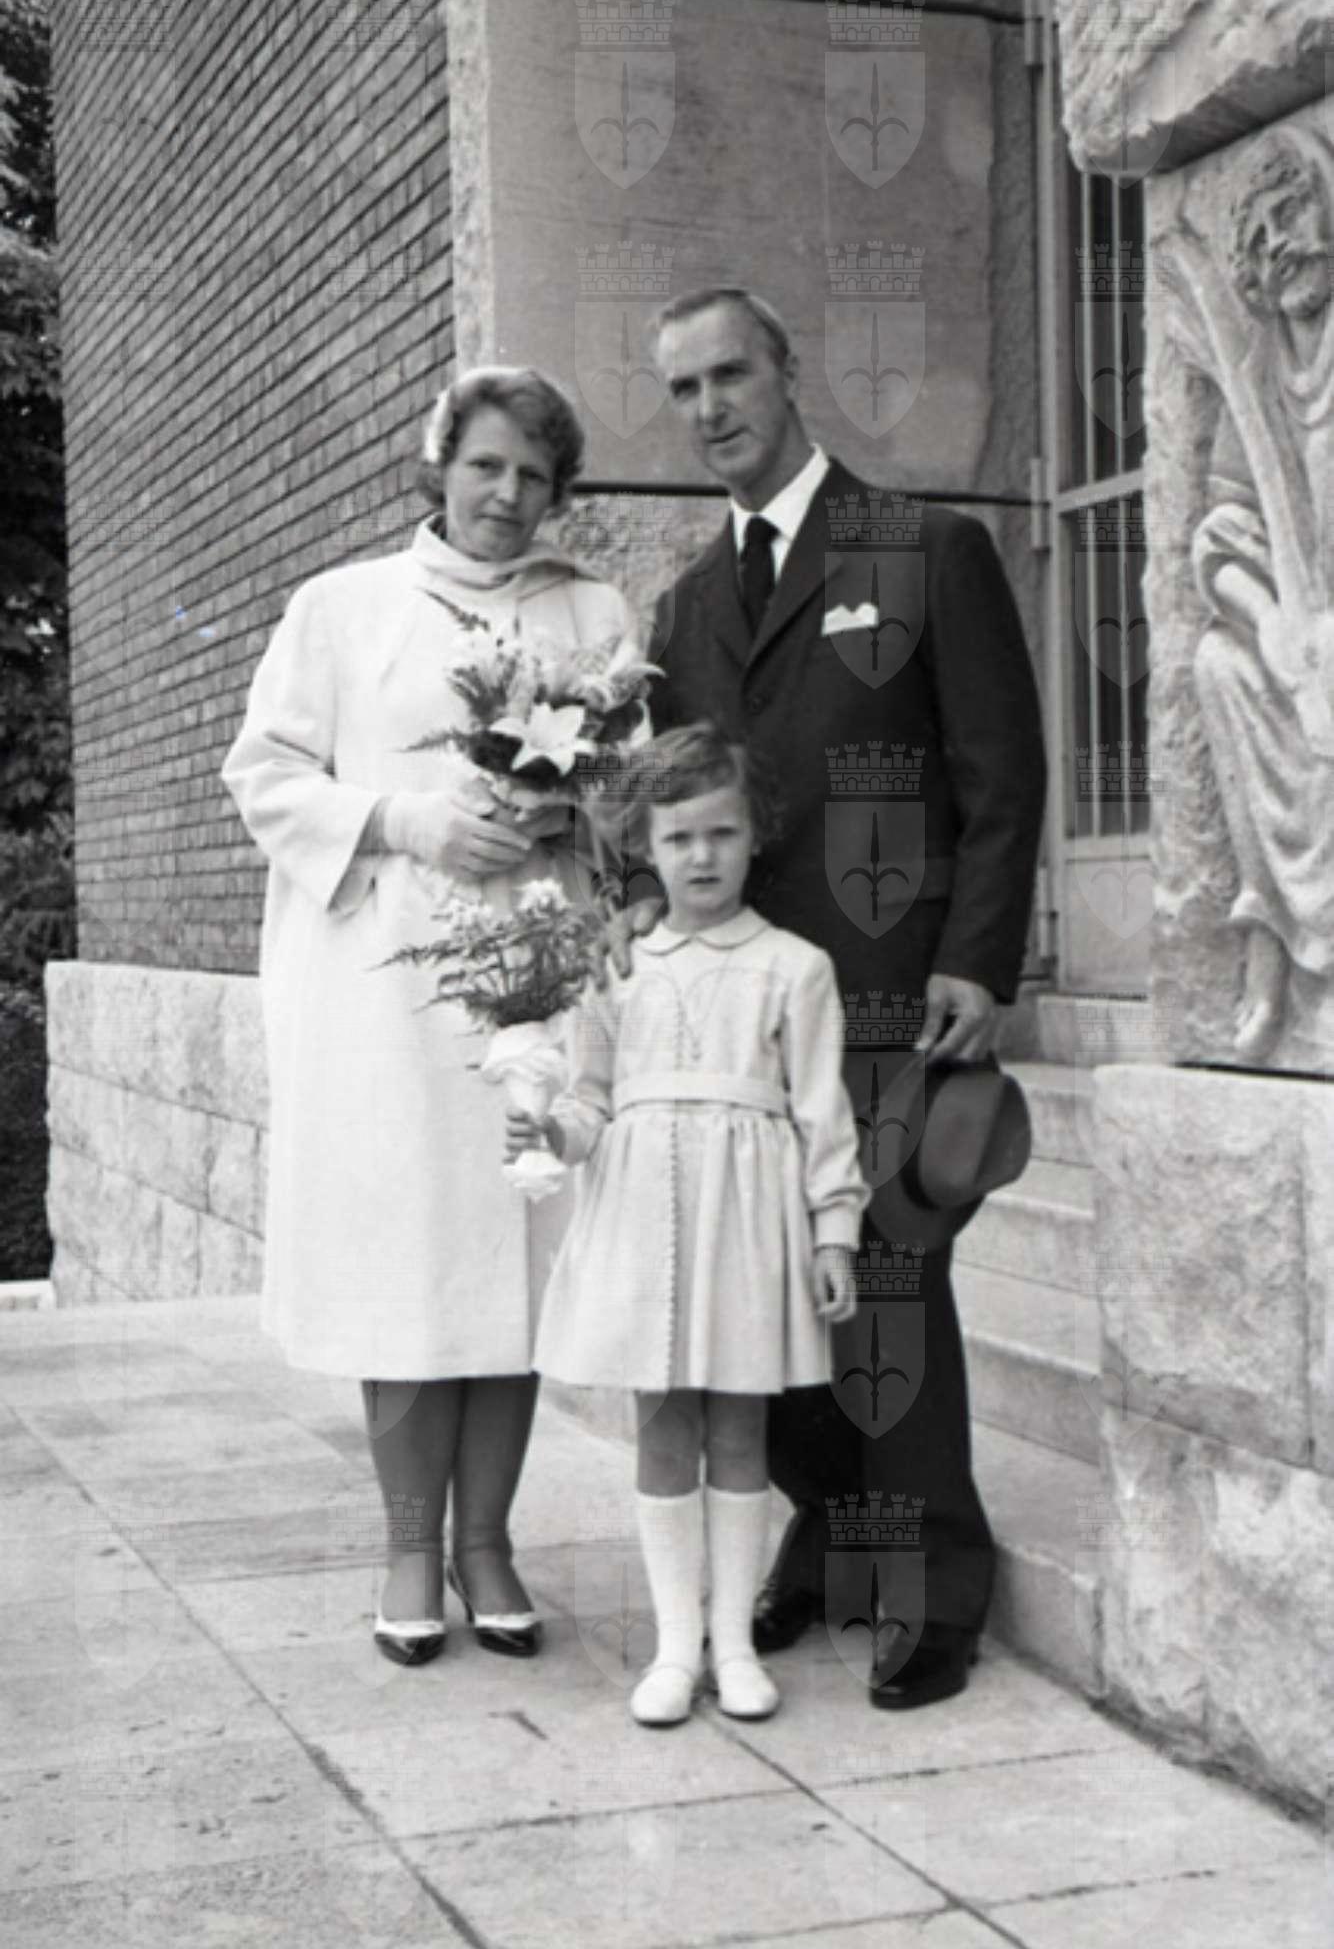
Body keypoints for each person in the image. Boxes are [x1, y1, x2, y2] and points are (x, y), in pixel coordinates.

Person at [646, 288, 1046, 1710]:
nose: (710, 409)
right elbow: (675, 810)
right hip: (746, 1019)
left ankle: (934, 1582)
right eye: (682, 388)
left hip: (892, 1000)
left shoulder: (925, 549)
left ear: (786, 370)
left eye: (730, 374)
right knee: (768, 1287)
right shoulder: (683, 607)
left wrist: (977, 958)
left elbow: (1001, 773)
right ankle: (831, 1529)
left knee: (886, 1288)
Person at [222, 367, 640, 1667]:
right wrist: (404, 819)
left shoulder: (590, 612)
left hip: (532, 970)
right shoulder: (343, 607)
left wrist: (572, 809)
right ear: (439, 466)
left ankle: (487, 1544)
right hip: (386, 990)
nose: (507, 495)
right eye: (485, 466)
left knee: (515, 1253)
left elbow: (635, 790)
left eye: (534, 475)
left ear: (558, 491)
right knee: (405, 1258)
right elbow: (265, 774)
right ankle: (410, 1544)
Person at [507, 725, 867, 1726]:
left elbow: (822, 1113)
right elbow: (589, 1100)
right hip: (644, 1215)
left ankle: (735, 1643)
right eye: (677, 838)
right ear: (645, 847)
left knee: (740, 1423)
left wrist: (833, 1231)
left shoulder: (794, 967)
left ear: (755, 836)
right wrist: (550, 1128)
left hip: (745, 1221)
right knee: (663, 1420)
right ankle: (675, 1646)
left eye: (721, 833)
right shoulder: (616, 965)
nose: (700, 856)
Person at [1189, 122, 1334, 1059]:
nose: (1282, 246)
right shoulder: (1254, 377)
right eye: (1260, 238)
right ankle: (1273, 940)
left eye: (1294, 215)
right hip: (1300, 633)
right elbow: (1222, 526)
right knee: (1217, 661)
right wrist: (1271, 617)